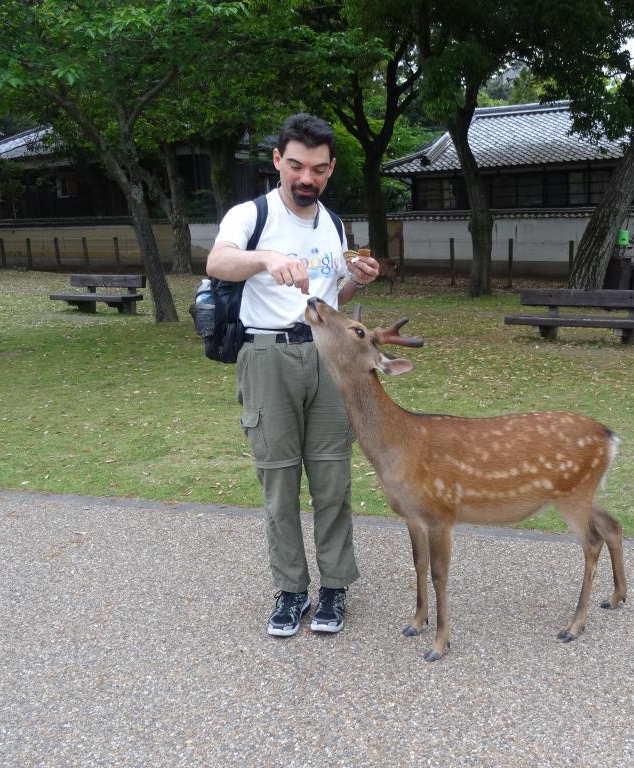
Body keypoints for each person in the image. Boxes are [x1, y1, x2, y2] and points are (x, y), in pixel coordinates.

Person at [206, 113, 378, 638]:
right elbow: (218, 262)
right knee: (278, 480)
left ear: (330, 170)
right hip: (267, 356)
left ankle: (334, 588)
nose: (308, 179)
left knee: (332, 479)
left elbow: (334, 294)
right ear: (278, 160)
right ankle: (289, 591)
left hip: (329, 357)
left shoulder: (334, 223)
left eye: (319, 170)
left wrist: (357, 280)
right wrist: (265, 259)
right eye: (297, 166)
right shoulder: (249, 215)